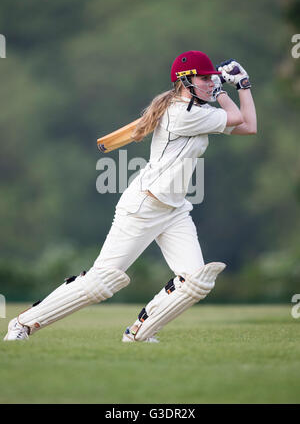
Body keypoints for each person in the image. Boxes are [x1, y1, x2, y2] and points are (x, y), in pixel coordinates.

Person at [4, 51, 257, 342]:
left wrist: (244, 86)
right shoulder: (182, 113)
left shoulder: (198, 112)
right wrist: (228, 88)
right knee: (102, 281)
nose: (211, 84)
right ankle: (22, 324)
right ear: (185, 82)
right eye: (205, 78)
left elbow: (249, 126)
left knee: (195, 280)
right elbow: (238, 116)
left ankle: (138, 334)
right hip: (144, 205)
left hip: (174, 209)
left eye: (212, 78)